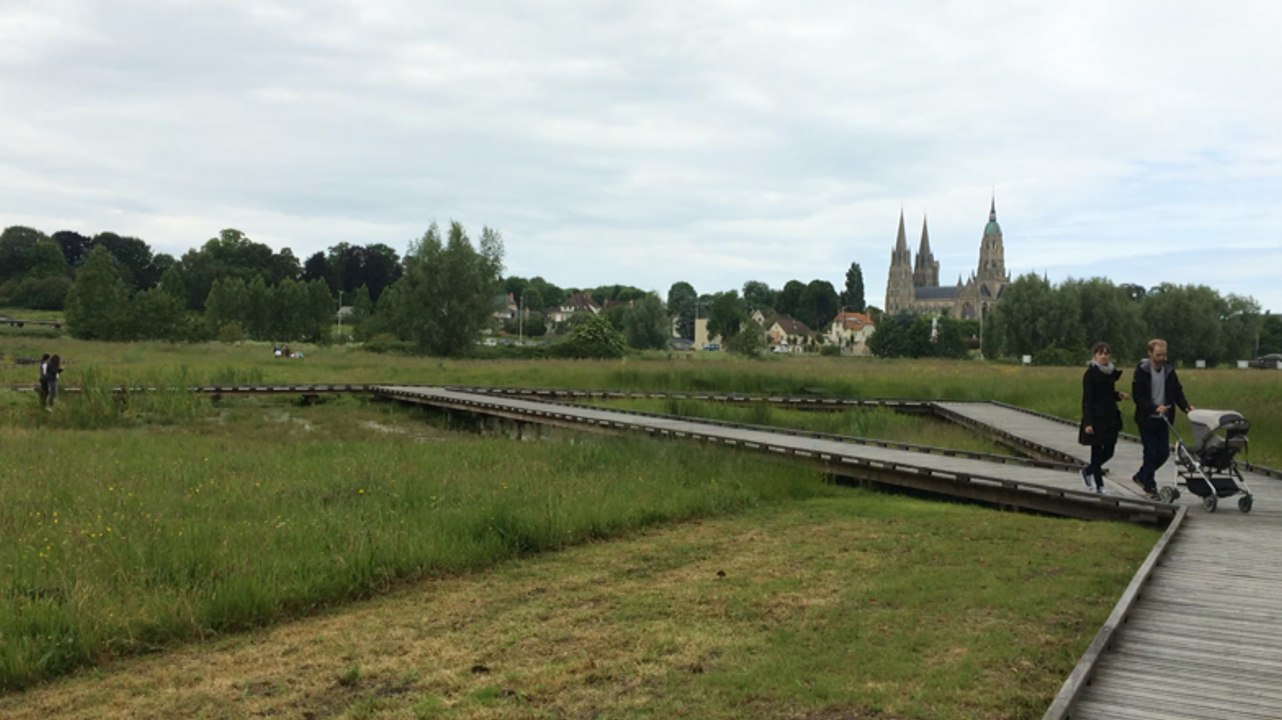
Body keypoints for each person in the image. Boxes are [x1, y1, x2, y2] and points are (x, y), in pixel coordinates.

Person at [1131, 339, 1193, 499]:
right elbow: (1138, 396)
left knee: (1163, 453)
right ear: (1150, 354)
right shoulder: (1142, 371)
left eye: (1164, 355)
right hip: (1147, 418)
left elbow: (1177, 391)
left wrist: (1186, 407)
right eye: (1158, 355)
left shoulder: (1169, 370)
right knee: (1150, 452)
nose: (1162, 358)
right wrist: (1153, 407)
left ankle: (1141, 476)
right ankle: (1150, 486)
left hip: (1164, 418)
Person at [1078, 342, 1128, 494]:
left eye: (1106, 353)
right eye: (1101, 353)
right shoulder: (1090, 374)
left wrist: (1117, 395)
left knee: (1109, 451)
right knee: (1097, 452)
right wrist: (1088, 422)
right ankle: (1100, 486)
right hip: (1096, 417)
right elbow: (1088, 398)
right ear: (1095, 356)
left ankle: (1087, 472)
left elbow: (1107, 394)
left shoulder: (1110, 373)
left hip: (1110, 416)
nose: (1104, 356)